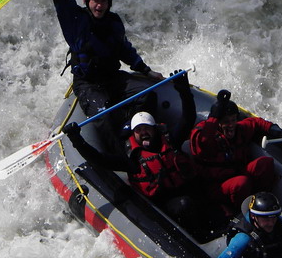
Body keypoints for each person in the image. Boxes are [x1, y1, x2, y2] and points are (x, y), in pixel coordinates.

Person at [51, 0, 164, 153]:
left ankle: (135, 131)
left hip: (113, 78)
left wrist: (146, 70)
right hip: (87, 83)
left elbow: (125, 50)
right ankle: (122, 156)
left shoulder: (114, 22)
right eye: (95, 0)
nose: (99, 5)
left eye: (103, 1)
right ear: (88, 1)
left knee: (148, 93)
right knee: (103, 115)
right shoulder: (75, 21)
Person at [62, 75, 200, 229]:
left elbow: (188, 118)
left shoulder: (171, 141)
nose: (144, 133)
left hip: (188, 190)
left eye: (147, 128)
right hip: (165, 205)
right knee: (184, 205)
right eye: (139, 130)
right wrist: (76, 139)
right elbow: (98, 159)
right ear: (133, 134)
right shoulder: (132, 160)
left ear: (155, 129)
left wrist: (184, 90)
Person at [189, 90, 282, 216]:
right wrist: (214, 117)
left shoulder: (239, 129)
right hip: (217, 187)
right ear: (218, 123)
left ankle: (265, 203)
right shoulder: (204, 136)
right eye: (226, 122)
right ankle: (242, 215)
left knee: (265, 163)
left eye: (233, 120)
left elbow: (257, 123)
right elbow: (205, 141)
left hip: (239, 175)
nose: (231, 125)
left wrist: (278, 132)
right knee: (241, 183)